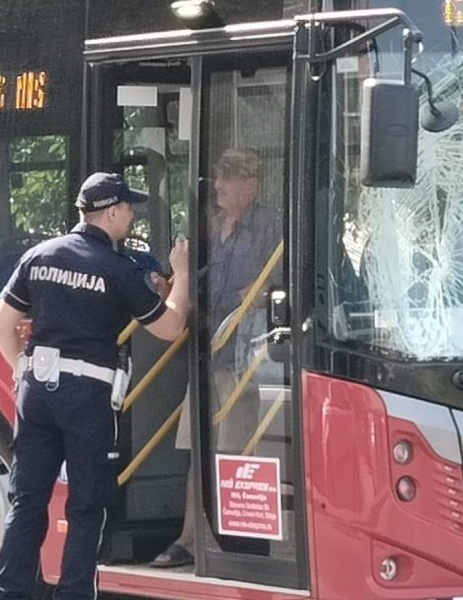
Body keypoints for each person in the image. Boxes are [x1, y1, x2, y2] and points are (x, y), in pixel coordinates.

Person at [0, 172, 191, 600]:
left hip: (37, 392)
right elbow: (171, 327)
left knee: (27, 501)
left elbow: (1, 325)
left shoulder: (40, 255)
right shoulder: (117, 269)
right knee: (85, 506)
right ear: (112, 212)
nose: (133, 215)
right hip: (87, 398)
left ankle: (9, 594)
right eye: (129, 208)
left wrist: (22, 370)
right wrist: (183, 274)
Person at [151, 148, 280, 569]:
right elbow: (199, 281)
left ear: (251, 184)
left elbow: (280, 280)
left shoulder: (269, 225)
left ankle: (240, 542)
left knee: (237, 451)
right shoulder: (210, 226)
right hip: (205, 350)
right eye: (218, 179)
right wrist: (172, 284)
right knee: (199, 451)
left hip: (243, 355)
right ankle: (190, 539)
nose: (219, 188)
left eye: (227, 179)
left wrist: (260, 294)